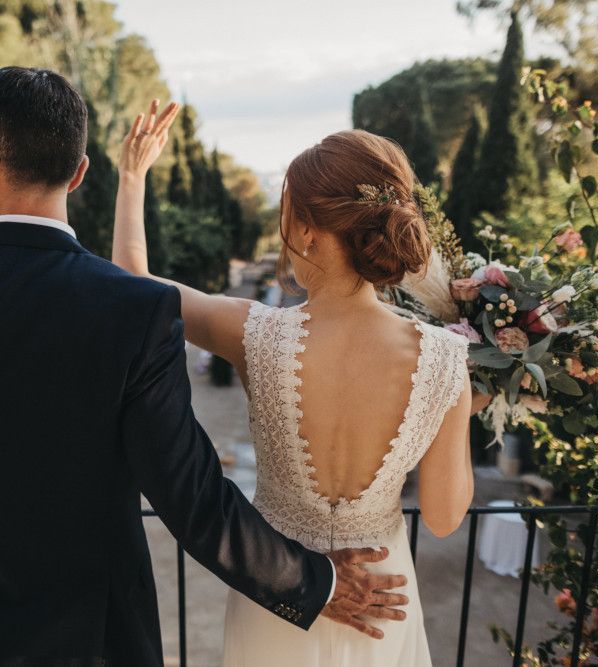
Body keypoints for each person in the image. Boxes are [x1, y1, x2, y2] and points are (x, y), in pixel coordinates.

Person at [0, 67, 409, 667]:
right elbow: (191, 495)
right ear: (82, 171)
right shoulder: (131, 311)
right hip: (88, 637)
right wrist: (312, 583)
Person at [113, 99, 490, 666]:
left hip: (282, 593)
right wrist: (462, 404)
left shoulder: (253, 334)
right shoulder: (445, 359)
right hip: (383, 603)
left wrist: (132, 177)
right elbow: (442, 516)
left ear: (308, 233)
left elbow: (132, 285)